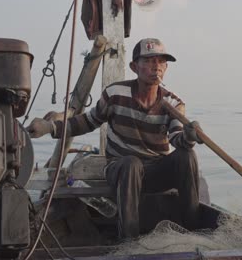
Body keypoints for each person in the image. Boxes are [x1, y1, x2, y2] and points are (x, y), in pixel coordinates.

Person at [26, 38, 203, 239]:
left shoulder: (173, 103)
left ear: (166, 68)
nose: (156, 67)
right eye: (149, 61)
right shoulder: (115, 93)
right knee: (131, 164)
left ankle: (194, 231)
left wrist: (189, 136)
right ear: (134, 67)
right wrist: (50, 127)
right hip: (120, 169)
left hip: (155, 169)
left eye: (161, 62)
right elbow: (87, 122)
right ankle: (129, 240)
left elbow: (178, 139)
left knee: (187, 156)